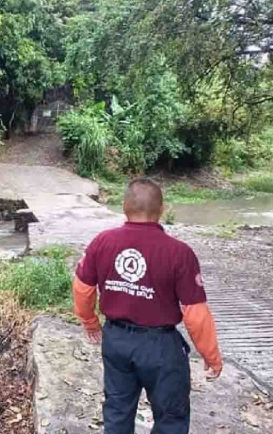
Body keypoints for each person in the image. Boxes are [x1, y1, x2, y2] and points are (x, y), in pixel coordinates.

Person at [73, 177, 222, 434]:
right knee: (170, 418)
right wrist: (211, 356)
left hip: (116, 340)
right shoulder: (179, 253)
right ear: (162, 210)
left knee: (117, 412)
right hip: (161, 347)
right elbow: (195, 313)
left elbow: (82, 288)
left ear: (124, 207)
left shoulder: (102, 242)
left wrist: (90, 321)